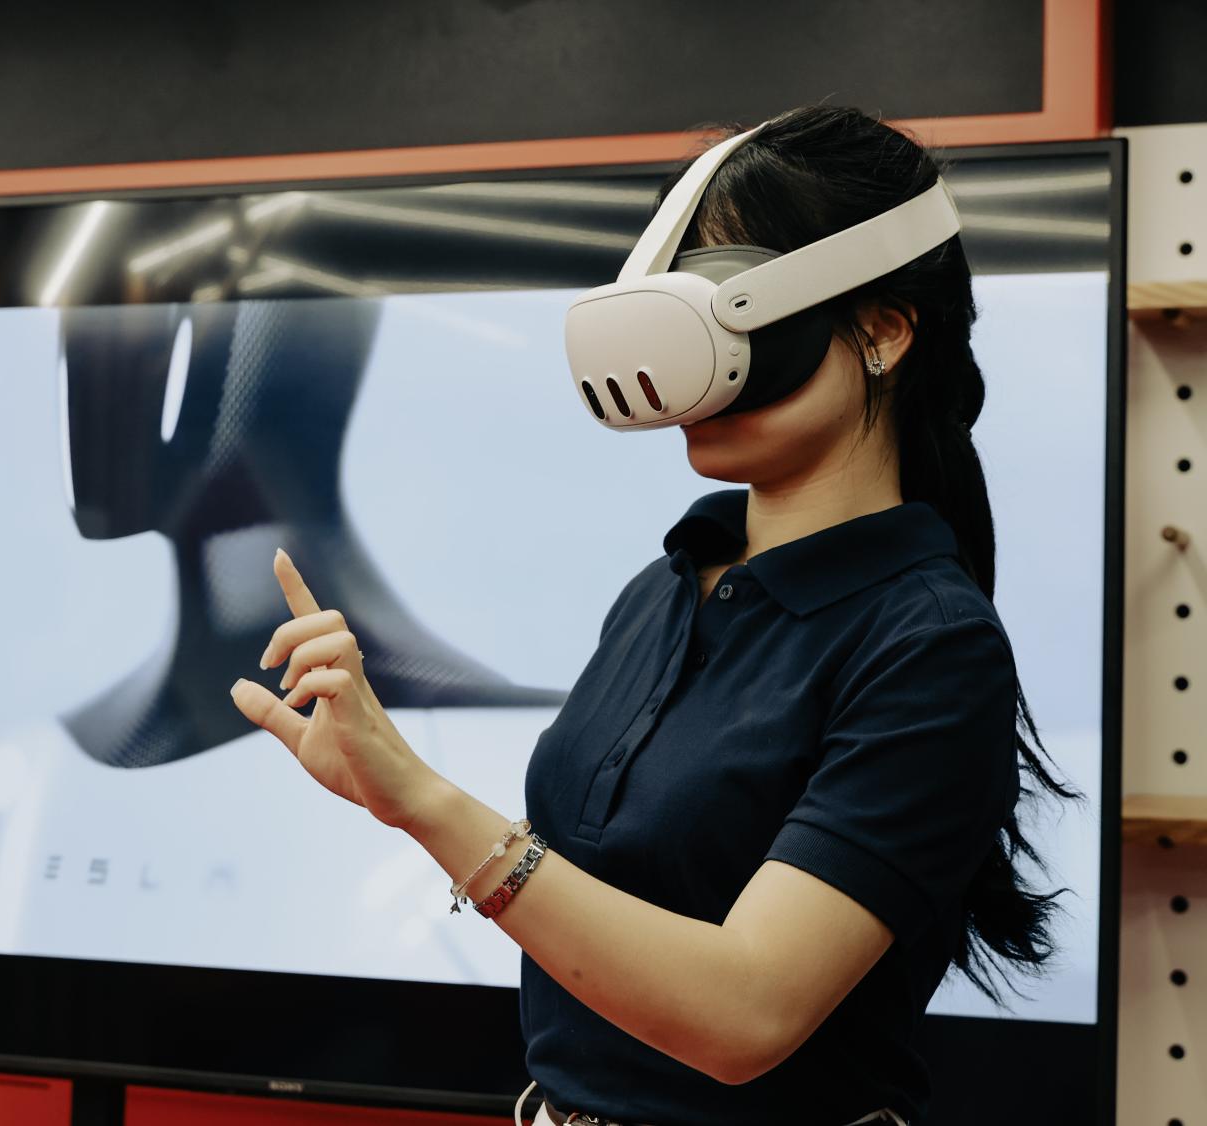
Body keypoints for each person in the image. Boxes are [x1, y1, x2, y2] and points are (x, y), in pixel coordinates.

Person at [228, 104, 1085, 1126]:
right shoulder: (669, 582)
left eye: (727, 297)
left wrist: (419, 797)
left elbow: (743, 1011)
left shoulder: (929, 647)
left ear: (883, 328)